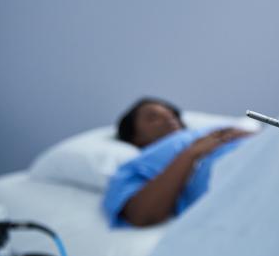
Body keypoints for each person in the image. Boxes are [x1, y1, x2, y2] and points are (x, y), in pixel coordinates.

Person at [103, 97, 253, 227]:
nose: (169, 119)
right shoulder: (137, 164)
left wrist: (250, 136)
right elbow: (141, 215)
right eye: (153, 117)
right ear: (135, 136)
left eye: (172, 115)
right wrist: (191, 153)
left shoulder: (207, 131)